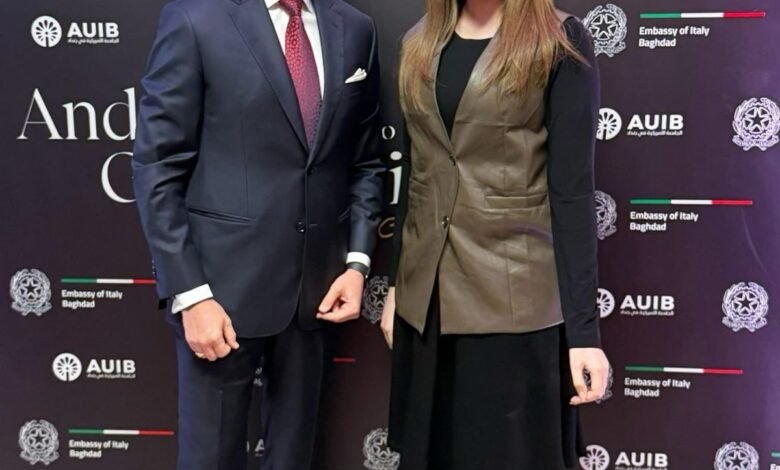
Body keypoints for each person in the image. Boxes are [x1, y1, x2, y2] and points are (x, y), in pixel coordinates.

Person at [132, 0, 383, 468]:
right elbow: (158, 167)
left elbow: (366, 161)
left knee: (294, 458)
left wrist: (357, 263)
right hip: (219, 296)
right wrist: (190, 294)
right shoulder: (195, 20)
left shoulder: (354, 28)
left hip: (316, 295)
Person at [380, 0, 610, 468]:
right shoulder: (418, 41)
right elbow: (418, 176)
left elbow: (572, 194)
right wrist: (398, 287)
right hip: (428, 306)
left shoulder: (559, 42)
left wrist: (583, 333)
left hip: (513, 305)